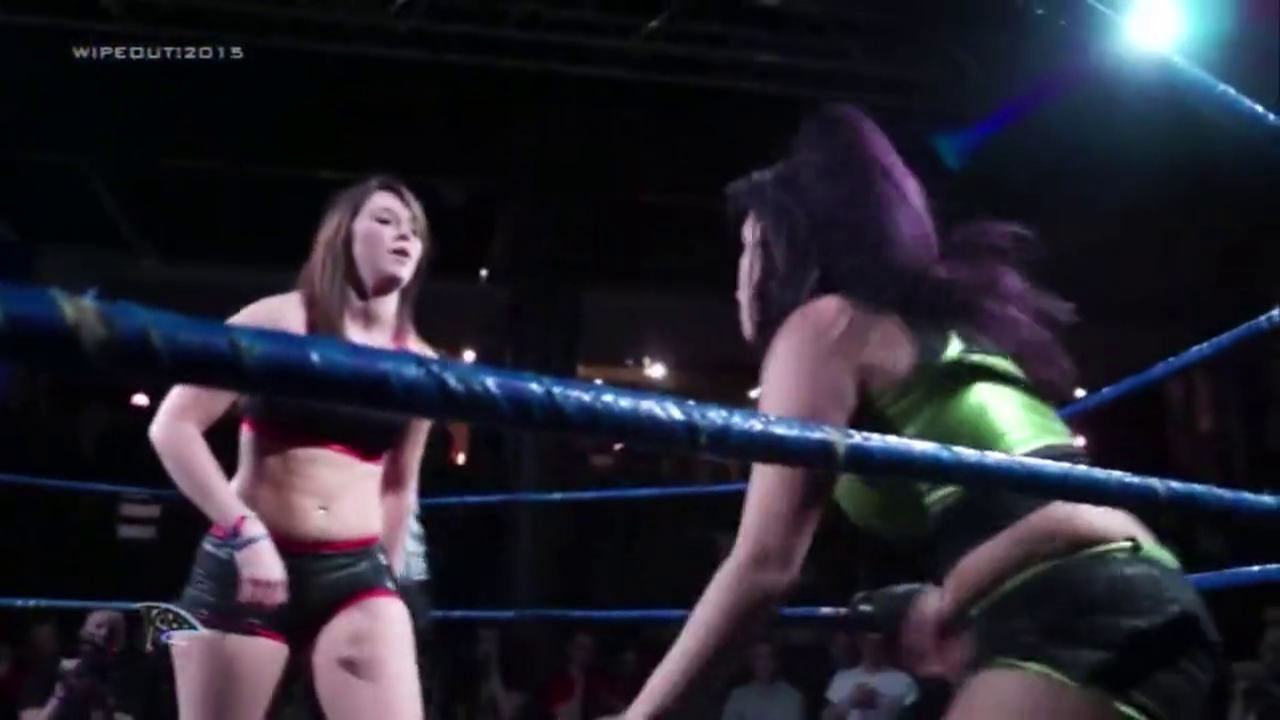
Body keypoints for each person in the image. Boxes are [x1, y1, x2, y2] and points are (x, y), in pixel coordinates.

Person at [610, 105, 1223, 720]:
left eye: (748, 245)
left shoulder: (824, 326)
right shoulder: (948, 338)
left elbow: (764, 565)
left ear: (783, 247)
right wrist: (952, 600)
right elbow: (1076, 516)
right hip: (1147, 598)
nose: (738, 278)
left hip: (1073, 614)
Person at [148, 175, 435, 720]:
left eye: (414, 230)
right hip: (250, 561)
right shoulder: (278, 321)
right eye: (385, 220)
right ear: (342, 235)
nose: (404, 235)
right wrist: (245, 532)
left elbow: (400, 484)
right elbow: (173, 427)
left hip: (356, 576)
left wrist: (391, 580)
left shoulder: (422, 362)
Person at [821, 632, 915, 720]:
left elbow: (915, 715)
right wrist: (850, 701)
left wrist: (884, 704)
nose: (872, 649)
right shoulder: (842, 678)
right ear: (861, 646)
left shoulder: (904, 680)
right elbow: (826, 717)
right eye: (868, 644)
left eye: (877, 645)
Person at [720, 642, 804, 720]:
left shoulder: (791, 698)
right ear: (752, 662)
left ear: (775, 662)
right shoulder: (738, 697)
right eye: (759, 657)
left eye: (768, 657)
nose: (763, 663)